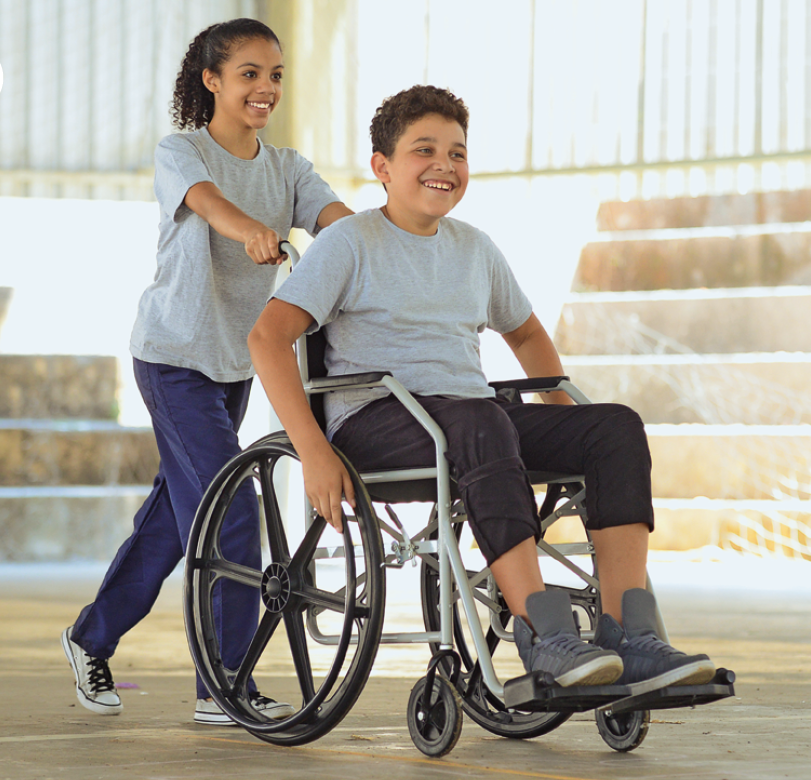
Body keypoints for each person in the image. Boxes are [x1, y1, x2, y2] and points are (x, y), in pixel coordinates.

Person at [248, 85, 716, 692]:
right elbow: (268, 337)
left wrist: (568, 426)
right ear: (383, 168)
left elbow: (525, 333)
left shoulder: (474, 248)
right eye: (424, 150)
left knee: (613, 426)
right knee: (480, 419)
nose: (444, 165)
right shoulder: (350, 243)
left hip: (468, 418)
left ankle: (631, 632)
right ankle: (543, 634)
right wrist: (313, 452)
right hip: (377, 421)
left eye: (457, 153)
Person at [61, 18, 353, 725]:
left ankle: (90, 636)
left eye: (275, 75)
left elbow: (340, 223)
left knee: (173, 519)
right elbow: (208, 203)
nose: (265, 88)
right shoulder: (181, 150)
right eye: (249, 73)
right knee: (231, 511)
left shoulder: (287, 168)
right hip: (173, 357)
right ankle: (224, 684)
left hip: (233, 364)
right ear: (212, 80)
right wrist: (251, 229)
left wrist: (379, 241)